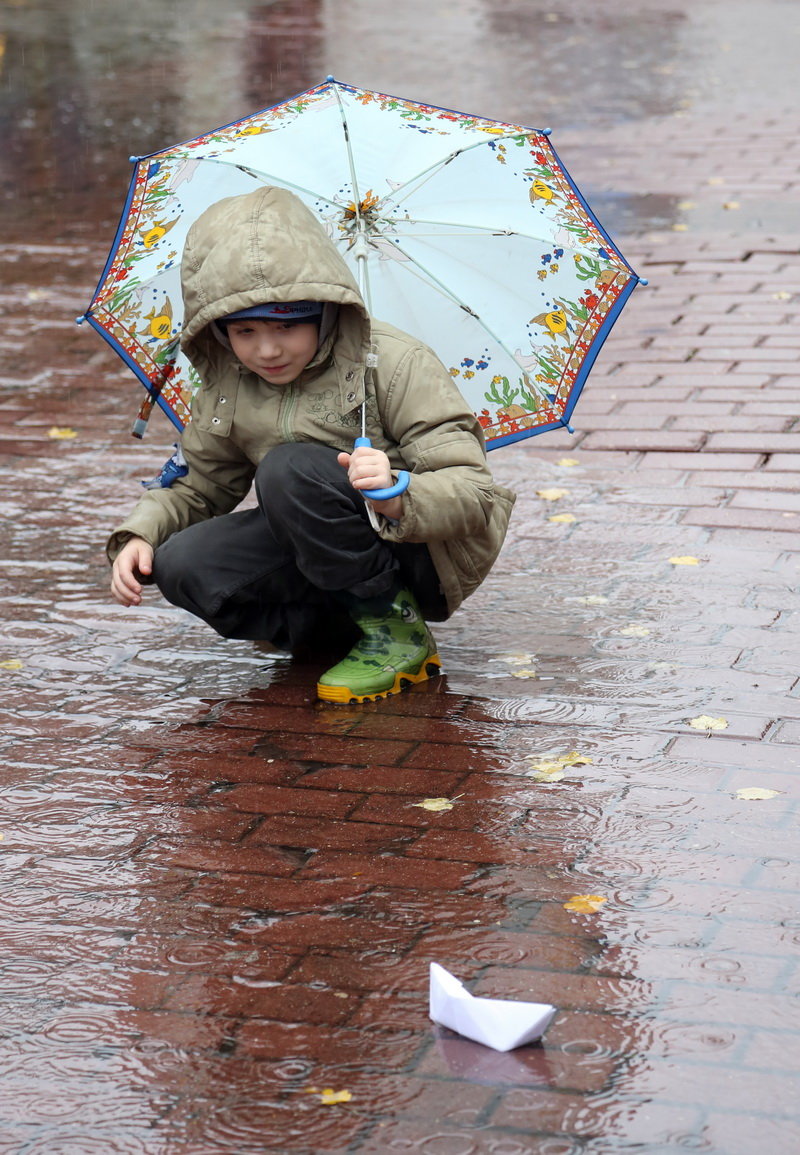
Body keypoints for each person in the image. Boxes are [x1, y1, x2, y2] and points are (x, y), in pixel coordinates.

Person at [108, 186, 516, 704]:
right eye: (245, 330)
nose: (268, 349)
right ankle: (337, 631)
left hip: (420, 552)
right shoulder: (230, 382)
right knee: (181, 563)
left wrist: (397, 493)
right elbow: (200, 483)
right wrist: (141, 534)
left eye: (287, 324)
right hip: (320, 542)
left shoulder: (393, 362)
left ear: (326, 308)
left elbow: (474, 492)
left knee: (288, 469)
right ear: (217, 330)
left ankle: (396, 630)